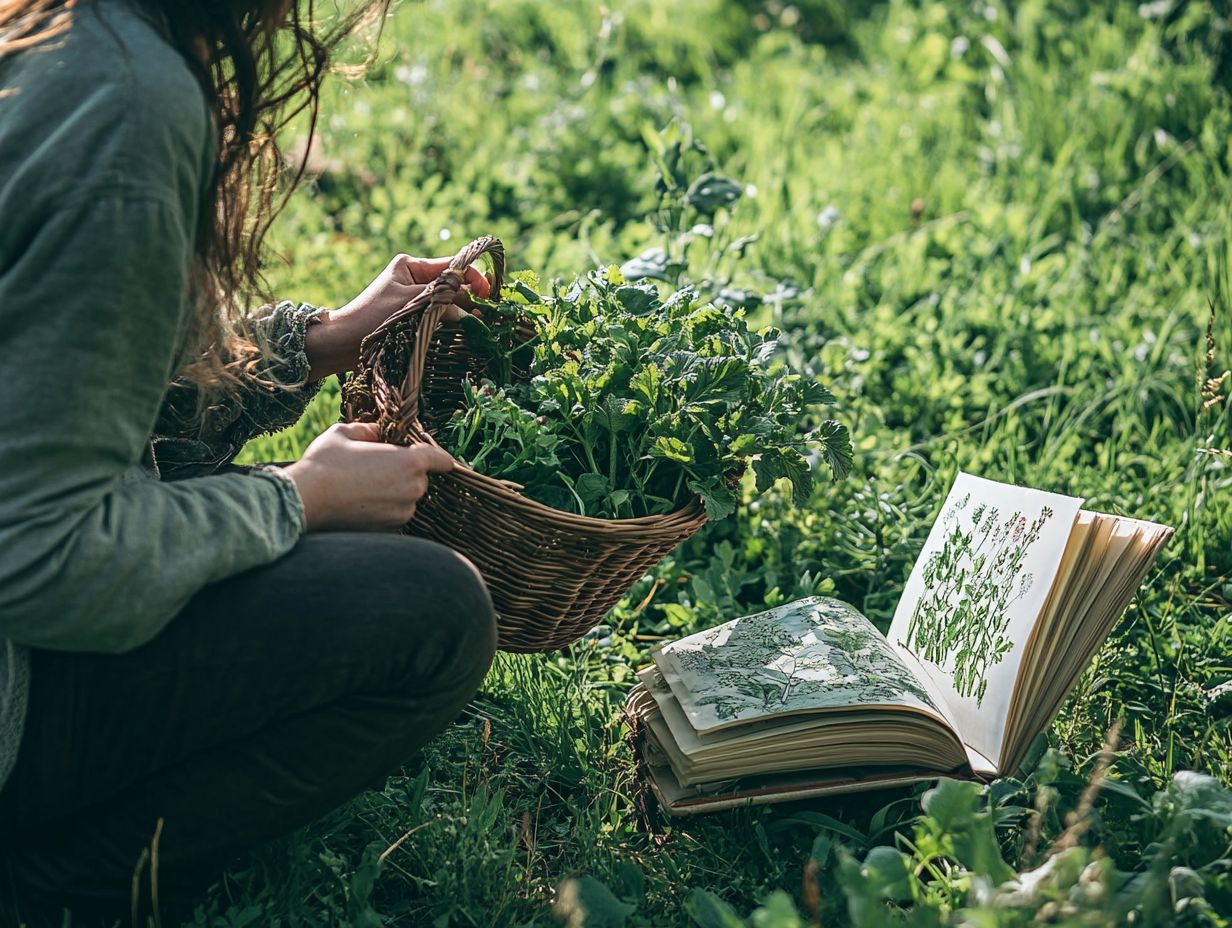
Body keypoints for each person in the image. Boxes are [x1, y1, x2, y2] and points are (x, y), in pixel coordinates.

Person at [0, 0, 499, 923]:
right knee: (433, 612)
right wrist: (297, 499)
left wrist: (316, 344)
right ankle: (50, 890)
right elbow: (48, 561)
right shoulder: (127, 106)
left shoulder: (46, 36)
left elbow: (55, 398)